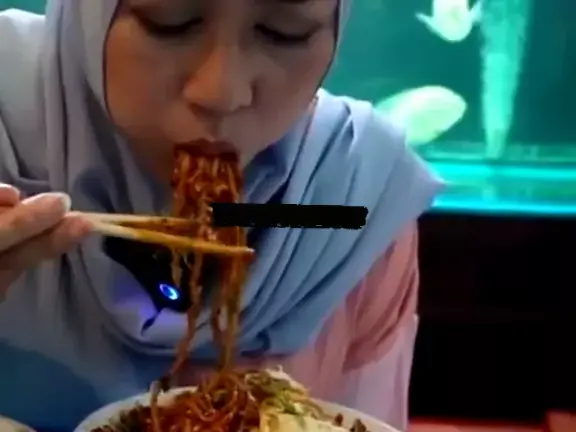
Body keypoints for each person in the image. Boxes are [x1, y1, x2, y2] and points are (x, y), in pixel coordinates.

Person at [0, 0, 443, 431]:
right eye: (168, 22)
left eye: (285, 32)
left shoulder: (353, 200)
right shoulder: (8, 136)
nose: (222, 93)